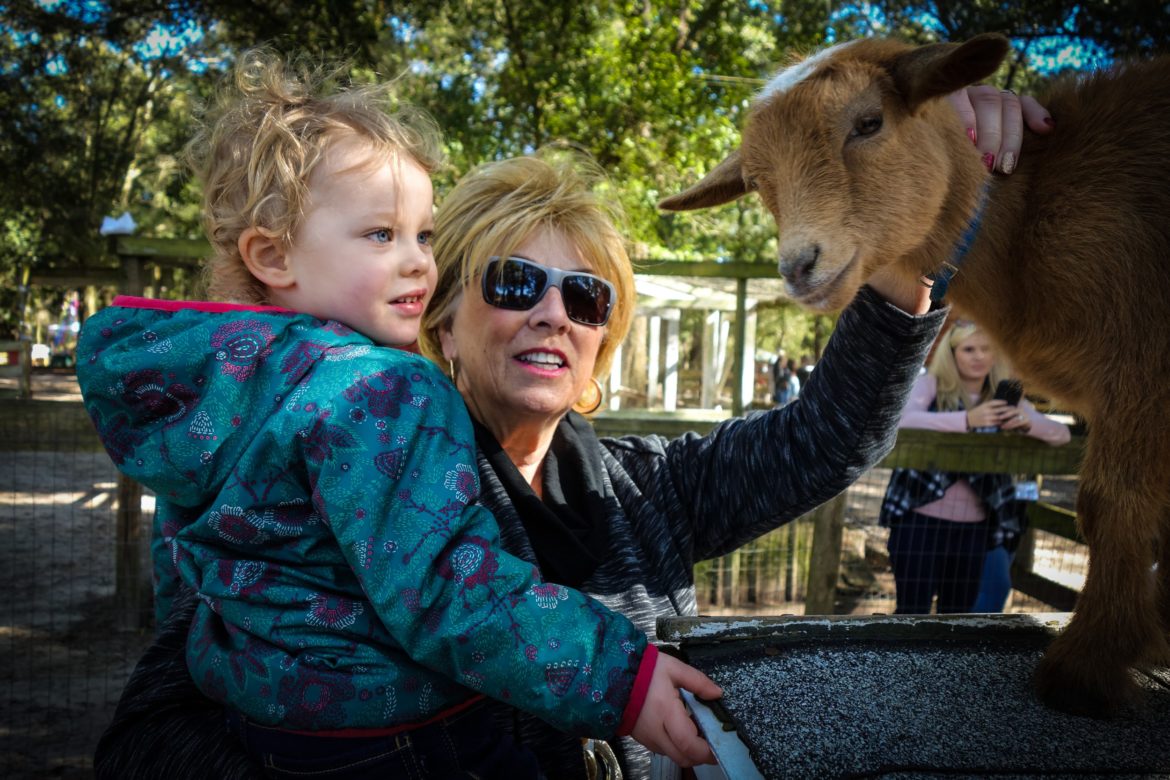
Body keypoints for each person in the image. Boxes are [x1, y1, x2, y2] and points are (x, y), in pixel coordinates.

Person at [90, 86, 1051, 780]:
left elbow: (829, 437)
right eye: (515, 282)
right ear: (440, 313)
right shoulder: (342, 465)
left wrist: (930, 189)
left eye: (586, 295)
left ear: (604, 337)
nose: (555, 313)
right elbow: (155, 731)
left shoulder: (644, 491)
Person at [76, 50, 720, 779]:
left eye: (425, 234)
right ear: (273, 256)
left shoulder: (214, 394)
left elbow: (183, 563)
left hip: (270, 728)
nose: (418, 262)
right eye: (381, 235)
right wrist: (620, 680)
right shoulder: (380, 392)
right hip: (400, 736)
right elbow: (447, 583)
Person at [878, 320, 1071, 614]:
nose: (979, 356)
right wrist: (967, 420)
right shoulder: (930, 384)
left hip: (974, 528)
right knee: (911, 609)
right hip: (919, 522)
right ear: (952, 353)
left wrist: (1027, 424)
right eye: (969, 349)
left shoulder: (1003, 396)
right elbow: (902, 420)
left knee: (958, 613)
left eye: (986, 349)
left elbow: (1062, 435)